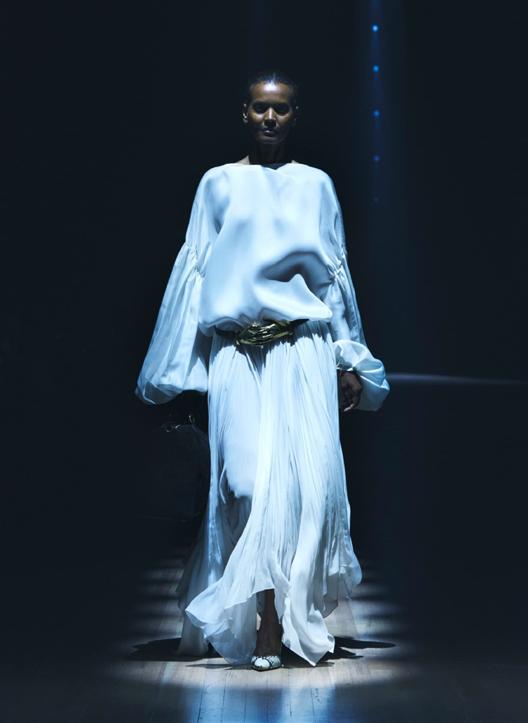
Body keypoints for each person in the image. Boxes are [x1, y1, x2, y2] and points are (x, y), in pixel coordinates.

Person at [135, 70, 390, 671]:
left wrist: (348, 358)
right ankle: (258, 610)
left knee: (301, 493)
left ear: (295, 115)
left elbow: (334, 276)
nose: (270, 118)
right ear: (244, 114)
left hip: (303, 350)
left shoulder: (316, 185)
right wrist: (183, 370)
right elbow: (196, 270)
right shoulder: (218, 183)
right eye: (259, 108)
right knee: (246, 486)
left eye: (281, 109)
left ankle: (272, 621)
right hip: (236, 354)